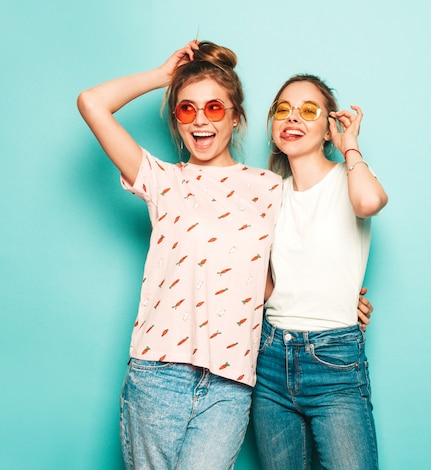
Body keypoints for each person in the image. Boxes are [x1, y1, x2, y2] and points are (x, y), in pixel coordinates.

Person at [77, 40, 283, 469]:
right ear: (176, 118)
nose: (200, 120)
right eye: (187, 108)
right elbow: (92, 102)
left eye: (214, 107)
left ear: (235, 116)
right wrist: (162, 77)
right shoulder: (162, 180)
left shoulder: (270, 188)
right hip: (158, 374)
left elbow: (280, 276)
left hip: (231, 381)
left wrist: (337, 301)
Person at [252, 74, 388, 469]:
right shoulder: (269, 193)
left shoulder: (350, 178)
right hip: (270, 356)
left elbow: (367, 202)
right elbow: (264, 283)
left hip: (334, 359)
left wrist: (351, 146)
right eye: (283, 110)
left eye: (308, 110)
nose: (292, 118)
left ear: (328, 126)